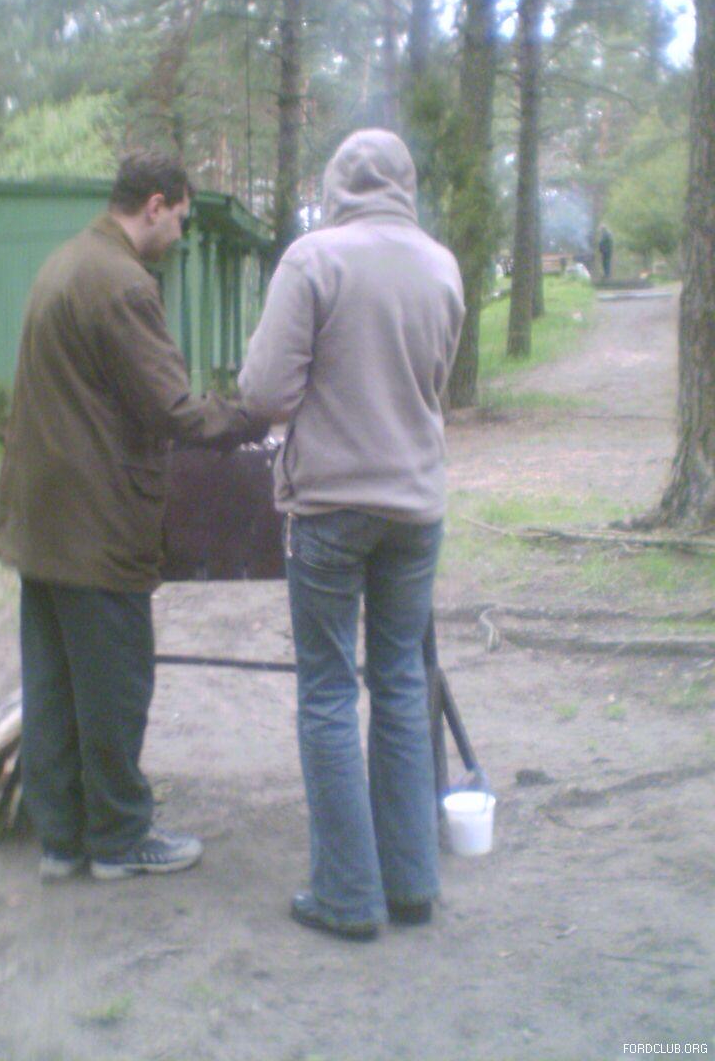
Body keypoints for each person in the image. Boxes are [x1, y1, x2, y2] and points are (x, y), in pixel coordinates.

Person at [0, 150, 266, 883]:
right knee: (114, 684)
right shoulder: (121, 283)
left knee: (54, 687)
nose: (180, 233)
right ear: (156, 205)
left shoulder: (65, 263)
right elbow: (173, 409)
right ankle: (118, 838)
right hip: (95, 522)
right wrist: (253, 415)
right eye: (181, 218)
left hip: (41, 519)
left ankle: (61, 840)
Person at [238, 129, 464, 941]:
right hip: (416, 506)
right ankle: (410, 883)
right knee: (400, 682)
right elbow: (437, 379)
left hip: (331, 505)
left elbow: (265, 393)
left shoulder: (313, 260)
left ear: (337, 184)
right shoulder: (441, 266)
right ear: (406, 185)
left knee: (330, 693)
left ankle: (346, 895)